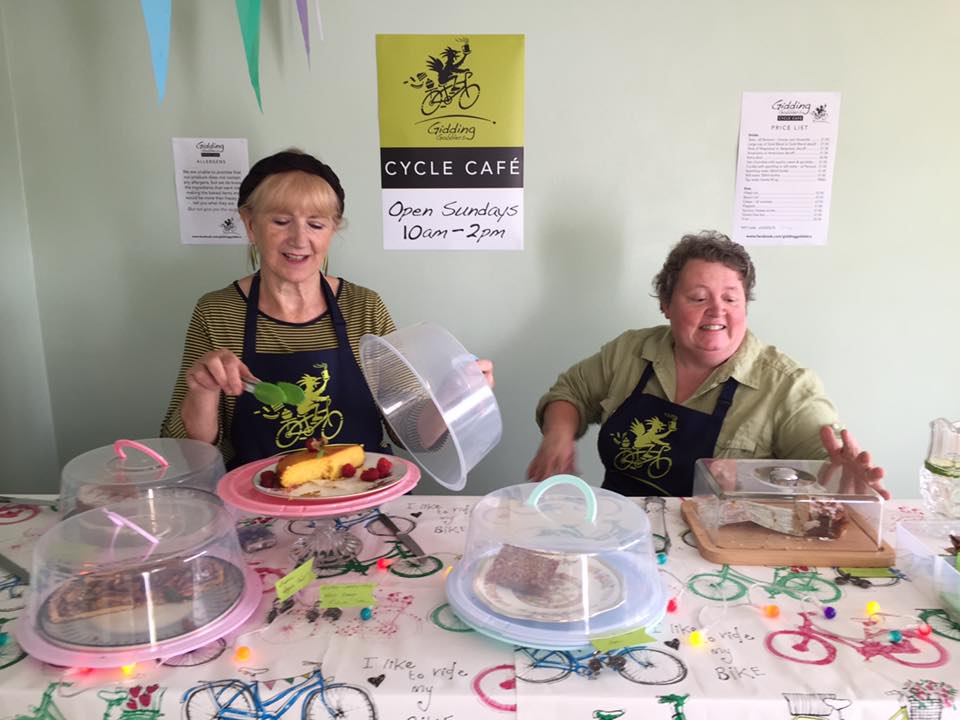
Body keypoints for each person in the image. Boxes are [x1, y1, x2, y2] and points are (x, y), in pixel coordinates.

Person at [161, 149, 493, 468]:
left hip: (360, 490)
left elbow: (410, 433)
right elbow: (189, 452)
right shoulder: (217, 312)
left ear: (332, 230)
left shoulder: (364, 307)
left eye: (316, 225)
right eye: (281, 221)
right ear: (250, 225)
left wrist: (451, 398)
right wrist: (203, 391)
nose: (299, 239)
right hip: (256, 499)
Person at [527, 230, 888, 499]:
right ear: (666, 305)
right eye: (699, 298)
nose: (717, 311)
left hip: (723, 547)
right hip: (622, 530)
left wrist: (840, 477)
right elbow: (570, 392)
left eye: (731, 299)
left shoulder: (787, 386)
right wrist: (559, 434)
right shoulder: (631, 351)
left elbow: (822, 463)